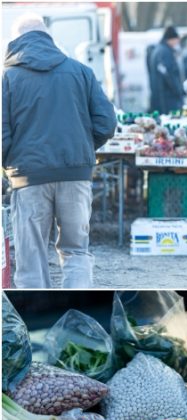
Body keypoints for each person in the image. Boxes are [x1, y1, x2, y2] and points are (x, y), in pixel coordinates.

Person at [2, 14, 116, 288]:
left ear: (15, 41)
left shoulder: (7, 78)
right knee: (76, 250)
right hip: (75, 176)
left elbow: (2, 134)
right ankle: (78, 319)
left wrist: (7, 168)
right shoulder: (81, 72)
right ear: (48, 38)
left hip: (28, 178)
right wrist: (82, 152)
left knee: (31, 257)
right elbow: (107, 123)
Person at [148, 26, 184, 114]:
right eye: (176, 39)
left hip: (159, 96)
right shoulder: (165, 52)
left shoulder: (158, 50)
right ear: (171, 39)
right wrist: (178, 91)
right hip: (167, 98)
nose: (177, 42)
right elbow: (170, 75)